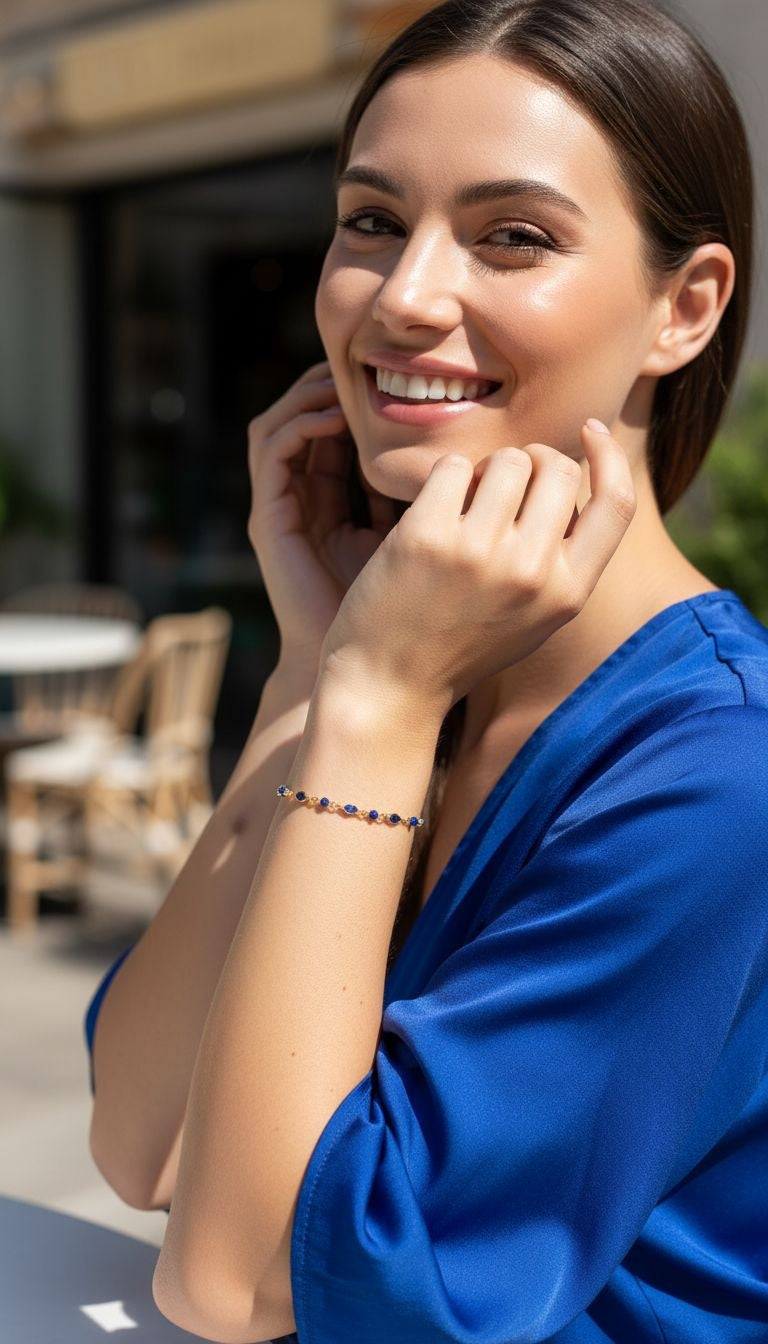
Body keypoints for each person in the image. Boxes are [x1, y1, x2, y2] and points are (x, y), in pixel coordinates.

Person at [84, 1, 768, 1340]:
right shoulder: (410, 666)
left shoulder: (721, 772)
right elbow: (140, 1142)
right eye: (372, 220)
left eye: (513, 236)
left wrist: (378, 702)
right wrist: (312, 674)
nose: (404, 297)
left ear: (683, 308)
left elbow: (242, 1279)